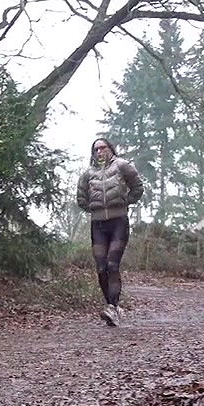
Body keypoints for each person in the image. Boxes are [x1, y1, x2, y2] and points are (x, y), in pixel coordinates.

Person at [76, 137, 144, 326]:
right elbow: (80, 197)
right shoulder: (88, 174)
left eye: (103, 148)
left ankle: (112, 307)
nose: (100, 152)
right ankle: (111, 306)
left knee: (112, 264)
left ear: (110, 149)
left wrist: (125, 202)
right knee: (101, 268)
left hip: (118, 223)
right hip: (98, 225)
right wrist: (92, 208)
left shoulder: (122, 166)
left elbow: (138, 187)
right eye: (96, 149)